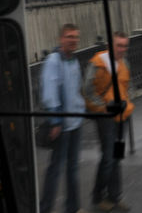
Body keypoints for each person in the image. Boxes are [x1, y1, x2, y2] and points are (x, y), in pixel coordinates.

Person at [84, 31, 135, 212]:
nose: (122, 49)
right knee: (108, 157)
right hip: (106, 118)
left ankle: (115, 196)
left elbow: (129, 85)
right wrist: (103, 107)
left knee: (117, 156)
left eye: (124, 46)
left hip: (123, 117)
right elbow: (87, 91)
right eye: (119, 45)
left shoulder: (124, 62)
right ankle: (98, 196)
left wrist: (128, 102)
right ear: (110, 46)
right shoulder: (97, 63)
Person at [39, 23, 87, 213]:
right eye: (69, 37)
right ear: (61, 39)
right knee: (55, 170)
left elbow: (76, 90)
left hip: (75, 122)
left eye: (75, 37)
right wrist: (56, 122)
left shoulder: (73, 60)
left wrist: (82, 111)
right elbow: (50, 93)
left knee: (73, 168)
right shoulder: (53, 61)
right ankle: (45, 208)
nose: (73, 40)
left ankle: (73, 208)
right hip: (62, 125)